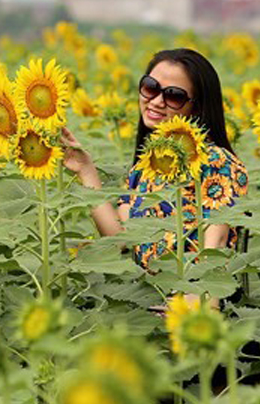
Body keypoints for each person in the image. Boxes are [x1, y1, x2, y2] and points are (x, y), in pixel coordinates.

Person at [61, 48, 248, 269]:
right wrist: (86, 170)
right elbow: (119, 238)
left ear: (196, 107)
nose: (157, 101)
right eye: (150, 87)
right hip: (149, 295)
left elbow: (216, 242)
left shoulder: (217, 162)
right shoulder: (146, 166)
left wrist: (197, 298)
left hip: (194, 296)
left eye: (173, 95)